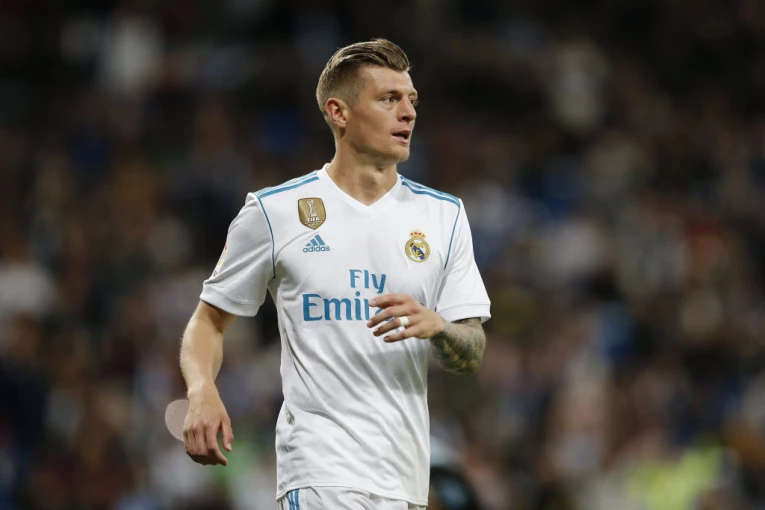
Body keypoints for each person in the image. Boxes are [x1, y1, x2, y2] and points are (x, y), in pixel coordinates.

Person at [179, 38, 491, 510]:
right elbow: (209, 320)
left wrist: (440, 327)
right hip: (319, 474)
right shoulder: (275, 212)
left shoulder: (444, 216)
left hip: (405, 482)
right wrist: (202, 389)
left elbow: (471, 352)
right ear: (338, 112)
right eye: (389, 99)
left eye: (411, 100)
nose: (408, 112)